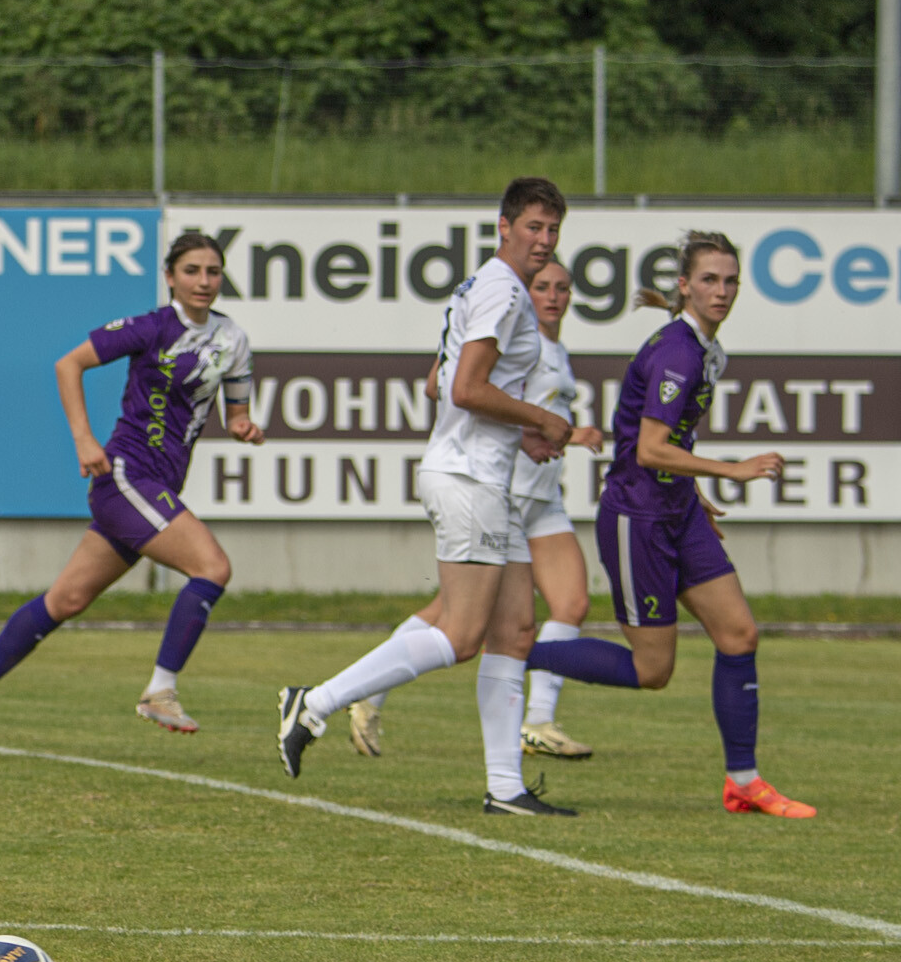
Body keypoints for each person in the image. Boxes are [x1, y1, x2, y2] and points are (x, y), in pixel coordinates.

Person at [276, 177, 575, 815]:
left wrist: (515, 431)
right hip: (468, 479)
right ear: (503, 226)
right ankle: (315, 702)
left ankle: (506, 788)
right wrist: (540, 419)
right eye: (533, 227)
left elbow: (437, 380)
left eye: (553, 229)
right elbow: (464, 388)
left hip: (484, 474)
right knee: (462, 635)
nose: (544, 240)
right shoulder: (502, 288)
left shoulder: (484, 286)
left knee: (516, 630)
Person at [520, 233, 814, 818]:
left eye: (730, 281)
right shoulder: (678, 352)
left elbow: (670, 439)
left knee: (739, 635)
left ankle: (743, 782)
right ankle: (516, 650)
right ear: (685, 286)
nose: (721, 291)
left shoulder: (705, 348)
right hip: (639, 518)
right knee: (652, 670)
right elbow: (650, 449)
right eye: (709, 280)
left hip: (677, 509)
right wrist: (731, 470)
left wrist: (695, 490)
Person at [0, 231, 264, 747]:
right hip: (127, 477)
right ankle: (160, 690)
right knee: (213, 568)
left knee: (67, 599)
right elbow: (69, 364)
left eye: (213, 271)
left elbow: (237, 411)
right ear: (170, 277)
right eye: (192, 271)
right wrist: (84, 440)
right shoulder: (151, 327)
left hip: (157, 485)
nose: (204, 281)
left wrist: (243, 426)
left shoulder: (233, 338)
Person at [346, 257, 606, 760]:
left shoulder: (554, 347)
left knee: (572, 603)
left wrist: (558, 433)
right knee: (453, 616)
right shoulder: (508, 331)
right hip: (505, 487)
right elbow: (440, 384)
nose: (553, 296)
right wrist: (561, 431)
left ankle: (538, 721)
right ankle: (363, 693)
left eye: (563, 287)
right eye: (543, 287)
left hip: (543, 494)